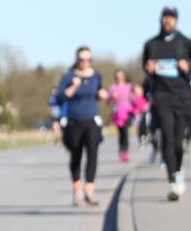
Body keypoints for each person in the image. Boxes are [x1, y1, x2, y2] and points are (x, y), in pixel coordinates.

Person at [142, 6, 191, 201]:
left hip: (182, 96)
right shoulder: (151, 44)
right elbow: (147, 67)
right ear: (161, 20)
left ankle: (177, 169)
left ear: (176, 21)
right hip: (162, 96)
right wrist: (149, 68)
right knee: (167, 137)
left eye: (171, 18)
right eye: (165, 18)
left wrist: (189, 66)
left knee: (178, 141)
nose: (168, 21)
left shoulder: (184, 42)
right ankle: (173, 180)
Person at [56, 46, 108, 206]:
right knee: (76, 155)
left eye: (88, 59)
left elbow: (100, 92)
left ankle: (89, 192)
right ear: (76, 60)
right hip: (74, 121)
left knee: (93, 154)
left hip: (92, 119)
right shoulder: (69, 76)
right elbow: (60, 97)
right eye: (81, 59)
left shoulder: (96, 76)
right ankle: (77, 191)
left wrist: (103, 94)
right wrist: (74, 86)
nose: (84, 62)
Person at [106, 69, 135, 162]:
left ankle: (125, 151)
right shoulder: (112, 87)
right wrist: (112, 98)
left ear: (124, 76)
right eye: (117, 76)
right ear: (115, 77)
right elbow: (108, 102)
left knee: (125, 131)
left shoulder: (129, 86)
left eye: (121, 75)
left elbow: (135, 99)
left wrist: (133, 97)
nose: (119, 77)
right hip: (118, 113)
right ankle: (121, 151)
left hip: (128, 111)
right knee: (121, 132)